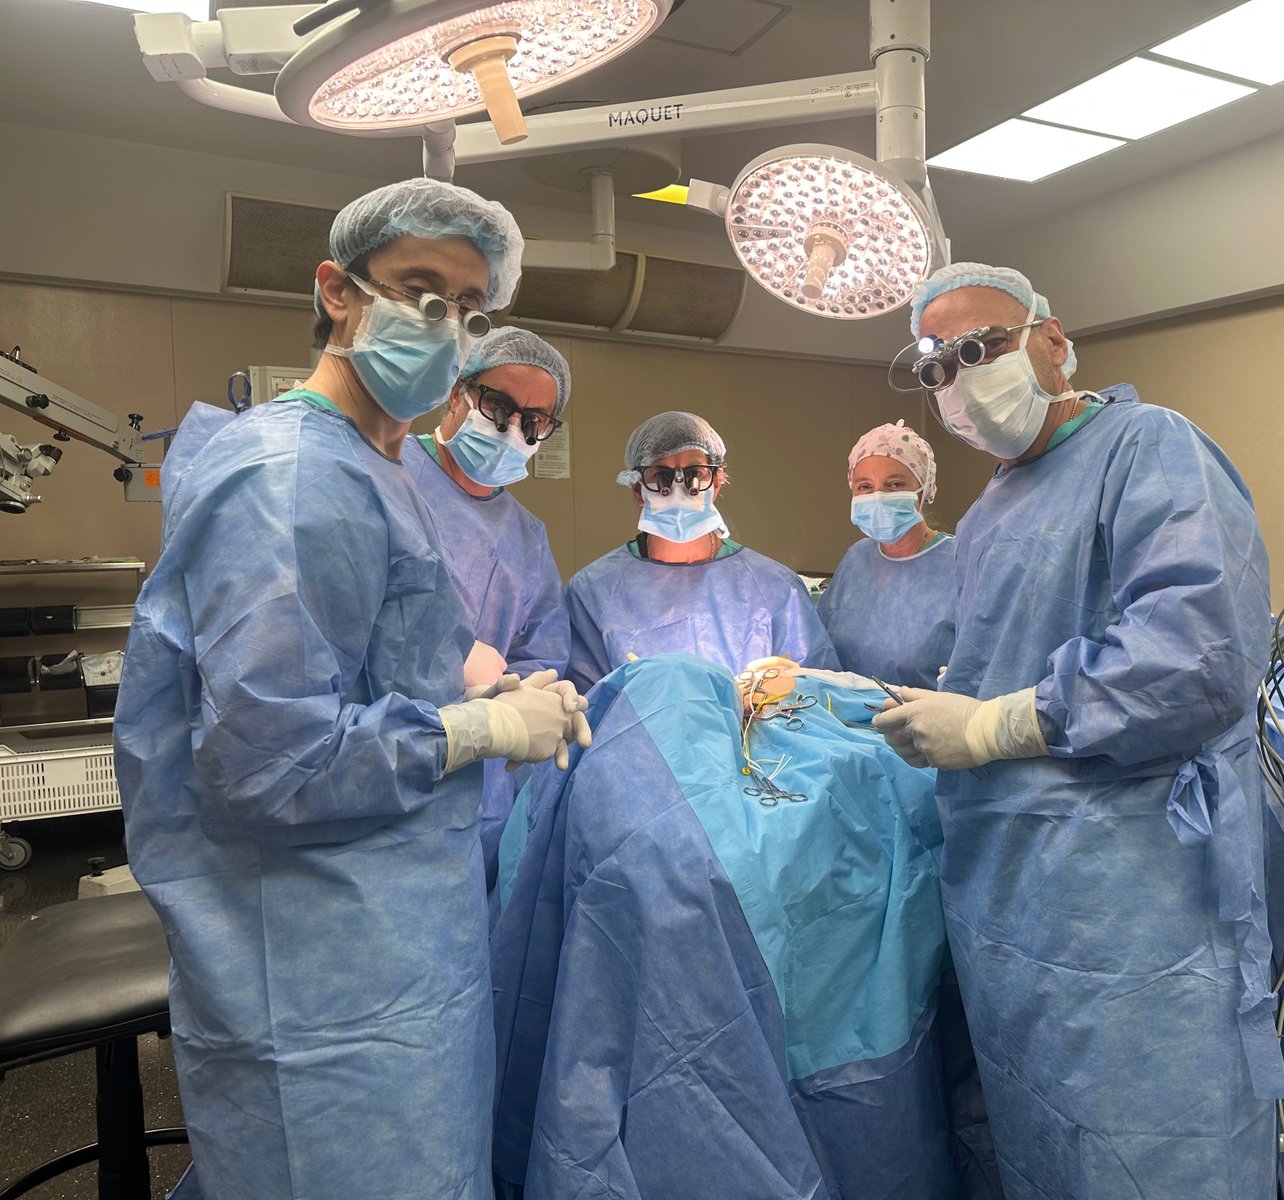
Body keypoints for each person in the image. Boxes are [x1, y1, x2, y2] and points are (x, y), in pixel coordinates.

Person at [113, 178, 590, 1200]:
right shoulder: (290, 476)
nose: (446, 326)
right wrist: (480, 729)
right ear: (338, 290)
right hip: (316, 974)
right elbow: (273, 764)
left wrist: (486, 689)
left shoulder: (373, 466)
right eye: (422, 293)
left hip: (389, 942)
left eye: (469, 309)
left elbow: (379, 661)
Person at [872, 263, 1284, 1198]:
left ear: (1052, 342)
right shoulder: (991, 507)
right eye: (937, 366)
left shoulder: (1149, 446)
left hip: (1132, 894)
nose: (960, 377)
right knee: (1043, 1139)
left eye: (979, 347)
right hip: (1012, 892)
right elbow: (994, 658)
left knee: (1151, 1145)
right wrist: (939, 705)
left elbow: (1199, 656)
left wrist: (992, 726)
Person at [403, 326, 572, 885]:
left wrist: (524, 697)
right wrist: (448, 664)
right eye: (498, 405)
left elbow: (538, 654)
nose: (513, 427)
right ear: (457, 393)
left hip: (482, 788)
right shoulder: (385, 476)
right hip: (383, 757)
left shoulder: (526, 537)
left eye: (534, 420)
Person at [564, 410, 839, 691]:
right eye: (662, 475)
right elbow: (588, 701)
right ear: (637, 489)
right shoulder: (594, 591)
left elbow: (819, 693)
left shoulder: (775, 588)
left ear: (717, 482)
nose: (679, 488)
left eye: (695, 474)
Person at [817, 420, 958, 688]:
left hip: (921, 714)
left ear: (924, 489)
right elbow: (823, 649)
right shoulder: (856, 559)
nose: (878, 497)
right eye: (865, 487)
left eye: (894, 484)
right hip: (842, 712)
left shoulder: (960, 565)